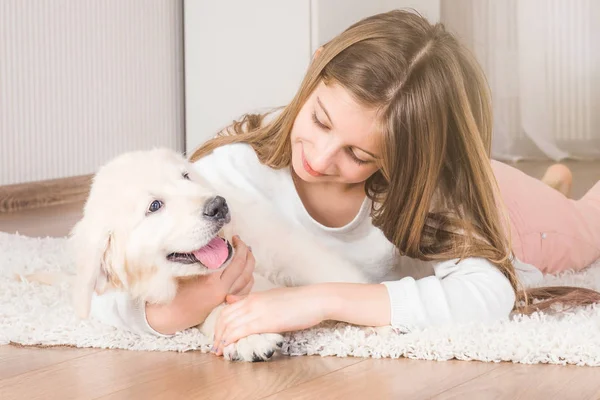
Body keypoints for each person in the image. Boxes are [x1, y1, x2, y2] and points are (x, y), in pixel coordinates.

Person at [89, 9, 600, 356]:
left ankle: (557, 194)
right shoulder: (231, 176)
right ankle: (553, 183)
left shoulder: (425, 190)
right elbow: (103, 290)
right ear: (316, 71)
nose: (318, 158)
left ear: (403, 160)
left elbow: (489, 294)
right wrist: (182, 309)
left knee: (583, 227)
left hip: (508, 212)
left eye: (358, 154)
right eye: (321, 121)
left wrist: (318, 299)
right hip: (480, 184)